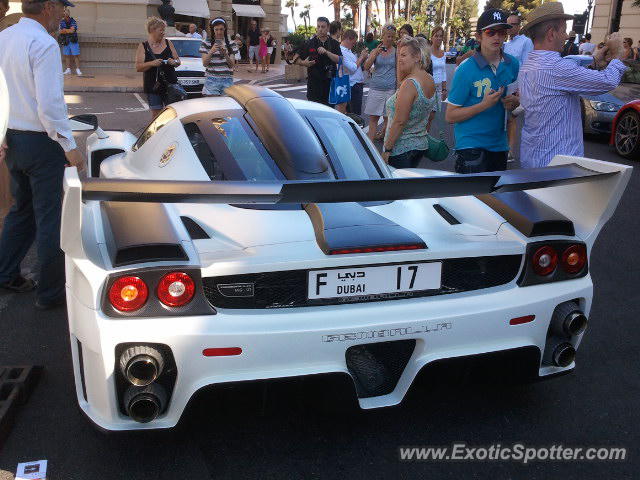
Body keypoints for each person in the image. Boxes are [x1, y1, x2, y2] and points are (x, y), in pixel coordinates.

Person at [0, 0, 85, 310]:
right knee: (50, 218)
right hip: (41, 142)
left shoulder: (4, 38)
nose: (63, 13)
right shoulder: (44, 44)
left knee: (22, 211)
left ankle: (5, 272)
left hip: (13, 140)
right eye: (61, 7)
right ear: (48, 6)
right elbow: (49, 105)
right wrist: (70, 146)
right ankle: (50, 293)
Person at [519, 3, 628, 168]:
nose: (565, 36)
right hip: (556, 168)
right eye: (563, 31)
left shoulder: (529, 63)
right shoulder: (556, 69)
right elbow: (609, 80)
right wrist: (619, 54)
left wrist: (594, 59)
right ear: (551, 34)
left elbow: (568, 65)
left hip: (533, 158)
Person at [445, 9, 520, 173]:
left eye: (502, 32)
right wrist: (483, 105)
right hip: (471, 147)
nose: (497, 37)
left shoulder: (513, 64)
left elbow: (515, 99)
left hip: (500, 145)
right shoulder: (465, 69)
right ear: (479, 36)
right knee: (472, 198)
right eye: (490, 32)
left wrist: (515, 102)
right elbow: (450, 115)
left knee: (494, 198)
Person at [382, 36, 437, 168]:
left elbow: (400, 121)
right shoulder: (429, 78)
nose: (399, 59)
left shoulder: (410, 84)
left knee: (398, 187)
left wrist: (387, 149)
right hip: (419, 144)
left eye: (403, 55)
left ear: (417, 57)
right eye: (399, 55)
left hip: (401, 148)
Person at [135, 16, 180, 119]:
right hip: (153, 86)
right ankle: (156, 134)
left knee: (173, 114)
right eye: (161, 30)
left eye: (164, 30)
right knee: (156, 116)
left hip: (170, 85)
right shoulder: (143, 46)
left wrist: (174, 62)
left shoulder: (168, 43)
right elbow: (138, 67)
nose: (163, 33)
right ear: (152, 30)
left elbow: (178, 61)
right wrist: (151, 63)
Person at [295, 17, 342, 106]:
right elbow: (294, 58)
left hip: (329, 85)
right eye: (318, 26)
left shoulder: (334, 43)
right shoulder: (309, 43)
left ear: (328, 28)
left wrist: (327, 52)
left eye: (323, 27)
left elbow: (340, 60)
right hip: (314, 86)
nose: (320, 29)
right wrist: (304, 63)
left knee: (329, 113)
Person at [363, 24, 397, 141]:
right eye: (388, 36)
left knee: (388, 119)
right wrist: (374, 54)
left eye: (393, 37)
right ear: (382, 36)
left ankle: (386, 149)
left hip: (391, 89)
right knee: (373, 119)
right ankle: (371, 148)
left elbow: (398, 70)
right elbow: (366, 67)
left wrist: (398, 88)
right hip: (376, 88)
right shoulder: (375, 50)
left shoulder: (396, 52)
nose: (390, 39)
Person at [200, 17, 237, 95]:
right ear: (213, 30)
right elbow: (205, 64)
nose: (219, 32)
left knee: (226, 106)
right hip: (211, 80)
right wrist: (211, 51)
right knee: (213, 106)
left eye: (221, 29)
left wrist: (225, 54)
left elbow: (231, 65)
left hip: (227, 80)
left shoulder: (231, 44)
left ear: (225, 29)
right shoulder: (206, 43)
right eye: (216, 29)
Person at [338, 29, 368, 114]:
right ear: (348, 39)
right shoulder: (341, 51)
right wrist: (361, 57)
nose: (354, 45)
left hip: (355, 85)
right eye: (353, 42)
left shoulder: (348, 51)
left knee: (354, 113)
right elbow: (352, 68)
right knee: (354, 114)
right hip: (352, 85)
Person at [427, 26, 446, 132]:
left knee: (432, 116)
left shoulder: (443, 53)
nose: (438, 38)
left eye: (441, 36)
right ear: (432, 37)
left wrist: (444, 89)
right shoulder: (427, 52)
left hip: (438, 90)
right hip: (428, 88)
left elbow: (444, 72)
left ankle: (426, 138)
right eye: (436, 36)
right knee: (426, 116)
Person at [59, 7, 81, 75]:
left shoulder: (73, 21)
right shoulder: (62, 22)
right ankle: (68, 69)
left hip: (73, 40)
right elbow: (60, 31)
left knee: (76, 55)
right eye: (64, 12)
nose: (65, 14)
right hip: (65, 41)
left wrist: (65, 30)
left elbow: (72, 30)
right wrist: (67, 30)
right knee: (66, 55)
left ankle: (78, 69)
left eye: (66, 12)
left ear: (68, 13)